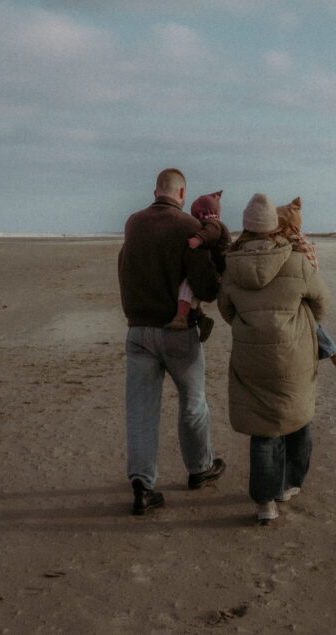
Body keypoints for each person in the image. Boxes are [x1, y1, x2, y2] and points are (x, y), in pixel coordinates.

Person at [118, 168, 226, 516]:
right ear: (182, 195)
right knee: (193, 402)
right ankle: (199, 469)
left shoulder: (133, 222)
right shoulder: (188, 227)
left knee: (140, 411)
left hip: (137, 330)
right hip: (177, 333)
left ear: (155, 191)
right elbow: (207, 287)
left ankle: (142, 484)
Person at [218, 193, 330, 524]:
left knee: (262, 426)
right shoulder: (296, 261)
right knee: (297, 414)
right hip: (293, 351)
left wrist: (252, 328)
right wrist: (302, 325)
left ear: (246, 226)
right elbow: (322, 302)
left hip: (251, 354)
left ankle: (265, 503)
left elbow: (226, 310)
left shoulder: (231, 264)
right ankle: (289, 483)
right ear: (273, 227)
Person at [276, 196, 336, 374]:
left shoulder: (291, 243)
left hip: (301, 289)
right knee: (311, 321)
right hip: (307, 287)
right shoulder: (302, 240)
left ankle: (335, 355)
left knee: (309, 321)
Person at [165, 190, 232, 343]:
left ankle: (181, 317)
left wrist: (198, 239)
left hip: (213, 271)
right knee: (193, 293)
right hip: (217, 272)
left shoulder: (213, 224)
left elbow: (211, 232)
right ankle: (201, 319)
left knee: (187, 285)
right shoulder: (215, 222)